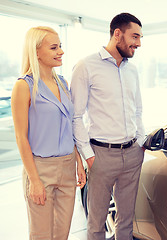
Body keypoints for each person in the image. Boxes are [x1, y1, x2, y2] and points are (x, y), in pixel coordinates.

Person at [71, 13, 145, 240]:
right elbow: (75, 116)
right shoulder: (86, 66)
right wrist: (89, 156)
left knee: (126, 221)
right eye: (134, 36)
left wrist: (140, 143)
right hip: (101, 154)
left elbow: (138, 111)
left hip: (132, 154)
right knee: (96, 222)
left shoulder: (132, 70)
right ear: (117, 34)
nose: (138, 43)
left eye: (140, 37)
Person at [11, 26, 86, 240]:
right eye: (54, 47)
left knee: (62, 233)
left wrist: (78, 163)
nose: (61, 51)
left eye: (60, 46)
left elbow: (68, 127)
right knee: (42, 234)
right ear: (35, 52)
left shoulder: (63, 83)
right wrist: (34, 180)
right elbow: (21, 138)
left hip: (67, 165)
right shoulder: (23, 86)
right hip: (40, 169)